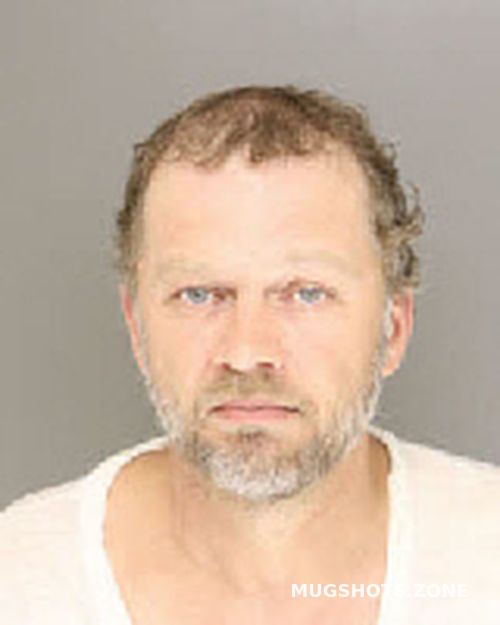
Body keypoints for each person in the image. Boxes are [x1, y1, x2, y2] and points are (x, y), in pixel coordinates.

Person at [1, 85, 499, 624]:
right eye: (199, 295)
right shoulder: (19, 579)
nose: (246, 353)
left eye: (307, 293)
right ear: (136, 326)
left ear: (394, 328)